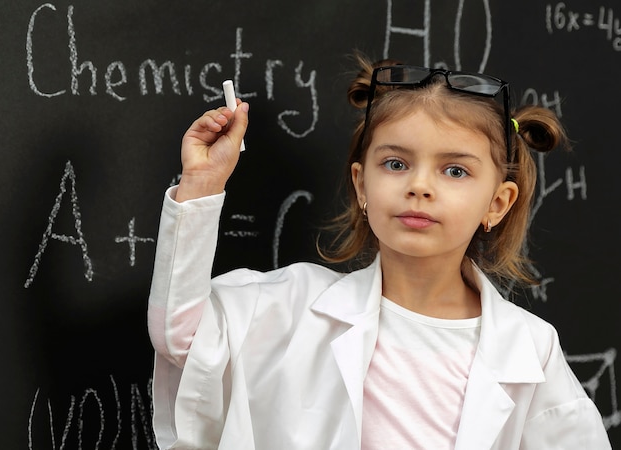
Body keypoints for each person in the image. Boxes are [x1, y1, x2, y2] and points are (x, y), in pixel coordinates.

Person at [147, 55, 611, 449]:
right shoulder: (290, 304)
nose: (419, 186)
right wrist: (202, 186)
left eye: (454, 171)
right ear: (361, 184)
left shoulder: (530, 346)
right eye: (395, 163)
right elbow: (181, 336)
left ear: (497, 203)